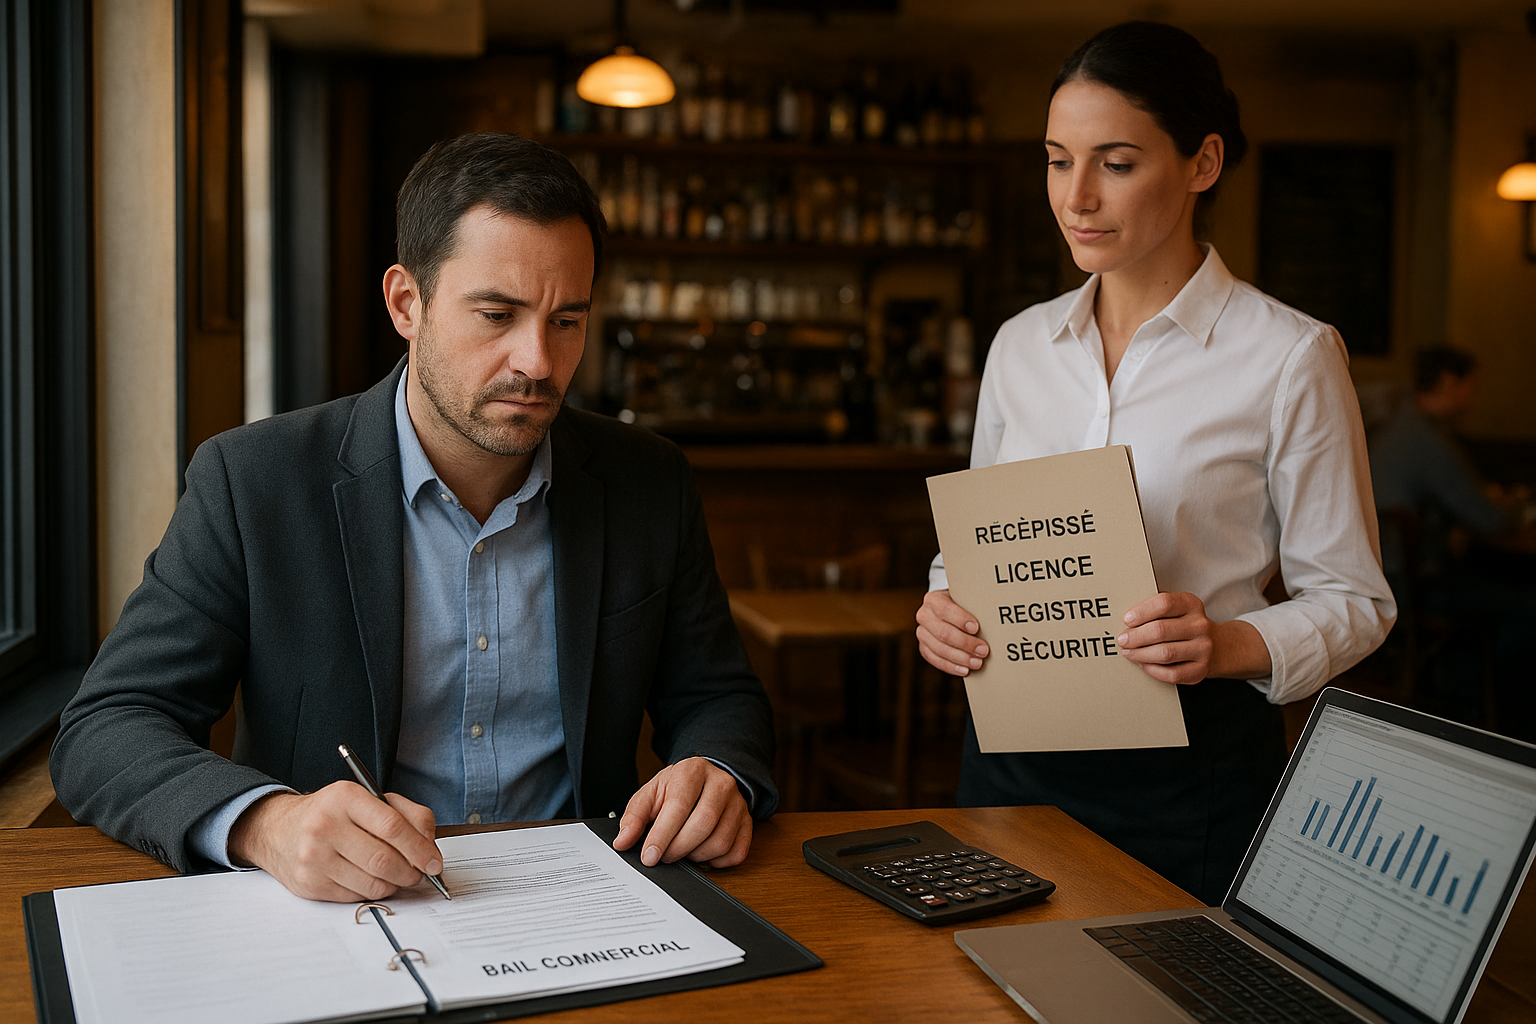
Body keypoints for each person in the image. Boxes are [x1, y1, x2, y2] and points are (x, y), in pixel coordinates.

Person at [51, 133, 776, 903]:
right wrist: (269, 824)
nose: (537, 361)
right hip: (350, 916)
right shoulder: (253, 481)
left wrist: (718, 771)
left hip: (587, 900)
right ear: (406, 303)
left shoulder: (649, 482)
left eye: (567, 320)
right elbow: (109, 725)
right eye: (497, 314)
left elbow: (718, 697)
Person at [915, 22, 1395, 905]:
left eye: (1117, 163)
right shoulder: (1019, 346)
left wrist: (1225, 643)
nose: (1077, 197)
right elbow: (973, 549)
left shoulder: (1291, 356)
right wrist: (944, 605)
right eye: (1058, 161)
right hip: (1009, 760)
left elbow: (1356, 603)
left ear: (1202, 162)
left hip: (1190, 776)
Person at [1370, 346, 1534, 737]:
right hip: (1407, 587)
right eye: (1470, 388)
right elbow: (1490, 519)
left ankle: (1455, 690)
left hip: (1379, 576)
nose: (1472, 400)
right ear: (1447, 382)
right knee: (1529, 607)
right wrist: (1511, 504)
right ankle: (1490, 718)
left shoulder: (1392, 422)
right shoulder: (1427, 441)